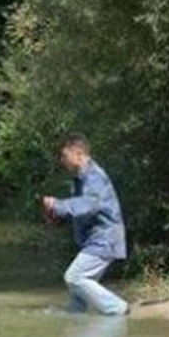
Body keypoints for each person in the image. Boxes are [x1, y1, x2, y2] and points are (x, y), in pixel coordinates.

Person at [42, 134, 130, 316]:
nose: (61, 160)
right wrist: (58, 219)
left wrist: (57, 205)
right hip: (97, 239)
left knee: (74, 277)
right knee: (77, 300)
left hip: (104, 239)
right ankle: (77, 324)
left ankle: (118, 308)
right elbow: (84, 209)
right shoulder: (83, 178)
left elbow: (90, 204)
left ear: (79, 154)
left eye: (64, 156)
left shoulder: (94, 176)